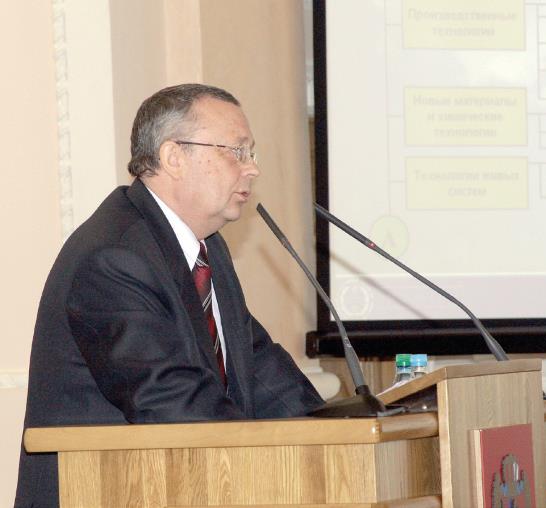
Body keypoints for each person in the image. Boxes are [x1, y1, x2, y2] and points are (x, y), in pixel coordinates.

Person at [15, 83, 323, 507]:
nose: (252, 169)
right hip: (104, 492)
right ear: (174, 156)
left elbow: (257, 367)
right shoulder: (115, 256)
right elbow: (168, 401)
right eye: (236, 151)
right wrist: (266, 454)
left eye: (251, 153)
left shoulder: (205, 247)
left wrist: (336, 428)